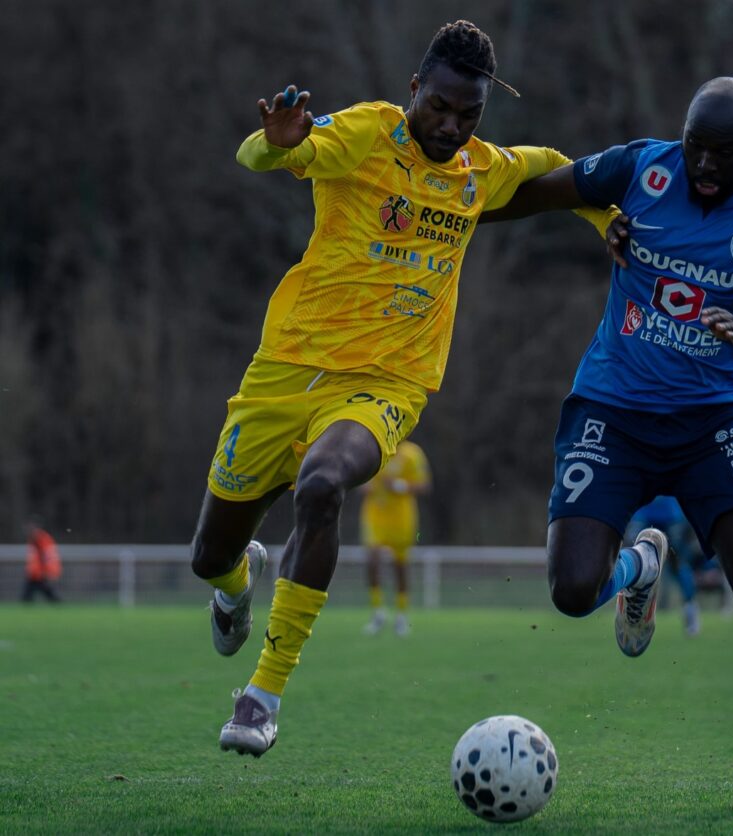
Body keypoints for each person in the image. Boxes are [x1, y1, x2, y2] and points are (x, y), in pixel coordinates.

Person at [189, 20, 617, 758]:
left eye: (469, 114)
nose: (451, 126)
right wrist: (280, 141)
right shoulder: (364, 131)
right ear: (415, 89)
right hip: (286, 369)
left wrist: (606, 217)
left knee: (323, 487)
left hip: (387, 382)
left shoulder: (482, 169)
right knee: (208, 553)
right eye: (441, 108)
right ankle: (235, 585)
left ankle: (262, 695)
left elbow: (557, 169)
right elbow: (260, 151)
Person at [483, 77, 733, 813]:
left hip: (715, 420)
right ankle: (640, 567)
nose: (702, 164)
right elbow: (540, 190)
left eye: (722, 155)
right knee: (572, 592)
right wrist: (452, 214)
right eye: (695, 146)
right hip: (614, 407)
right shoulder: (642, 167)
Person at [360, 439, 432, 636]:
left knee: (400, 566)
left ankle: (401, 615)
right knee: (372, 560)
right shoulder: (373, 449)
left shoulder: (412, 453)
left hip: (401, 517)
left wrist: (398, 485)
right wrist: (363, 486)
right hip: (375, 515)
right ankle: (378, 612)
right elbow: (360, 479)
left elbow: (424, 485)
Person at [625, 496, 700, 635]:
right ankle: (632, 610)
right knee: (676, 565)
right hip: (657, 514)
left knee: (637, 562)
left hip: (661, 515)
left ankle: (690, 608)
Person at [22, 520, 62, 603]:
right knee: (46, 594)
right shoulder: (34, 540)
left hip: (41, 574)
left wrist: (49, 572)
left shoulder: (41, 540)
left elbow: (46, 557)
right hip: (35, 574)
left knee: (48, 594)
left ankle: (59, 606)